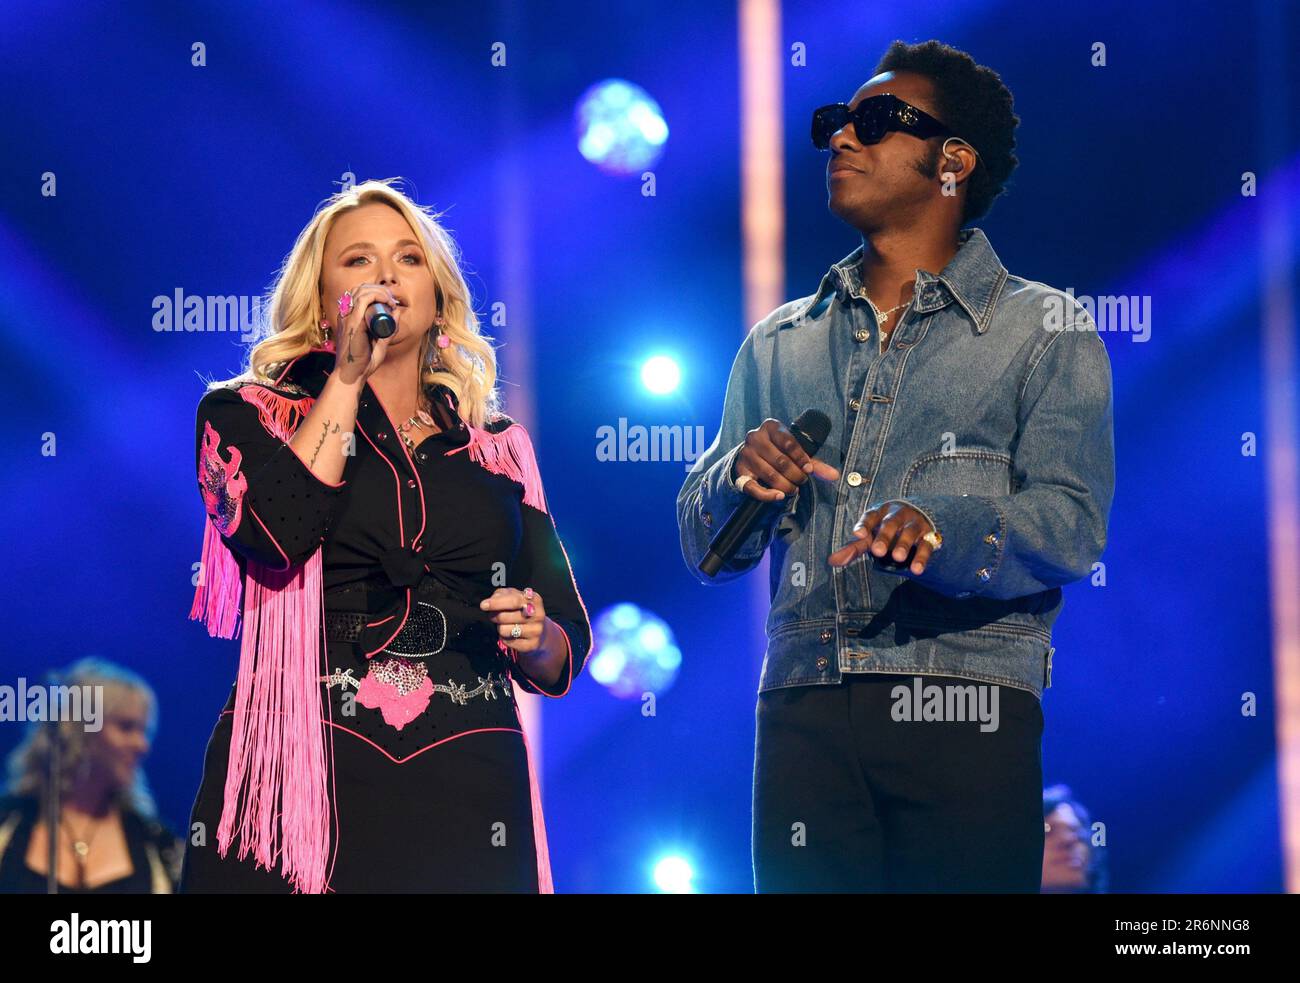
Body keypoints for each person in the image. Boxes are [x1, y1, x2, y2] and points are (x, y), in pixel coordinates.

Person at [677, 40, 1114, 892]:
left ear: (953, 160)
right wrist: (738, 478)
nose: (843, 138)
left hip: (967, 704)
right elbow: (706, 551)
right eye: (834, 123)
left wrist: (942, 527)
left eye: (876, 122)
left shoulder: (1047, 330)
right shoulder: (778, 342)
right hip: (804, 707)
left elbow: (1072, 526)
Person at [181, 178, 591, 893]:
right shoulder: (246, 415)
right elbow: (276, 531)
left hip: (469, 773)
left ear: (437, 296)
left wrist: (537, 632)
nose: (385, 278)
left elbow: (565, 642)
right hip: (307, 771)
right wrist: (346, 376)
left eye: (406, 259)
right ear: (320, 297)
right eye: (359, 261)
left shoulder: (497, 448)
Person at [0, 658, 182, 893]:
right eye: (126, 727)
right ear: (76, 729)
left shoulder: (159, 846)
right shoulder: (7, 824)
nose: (142, 745)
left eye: (144, 731)